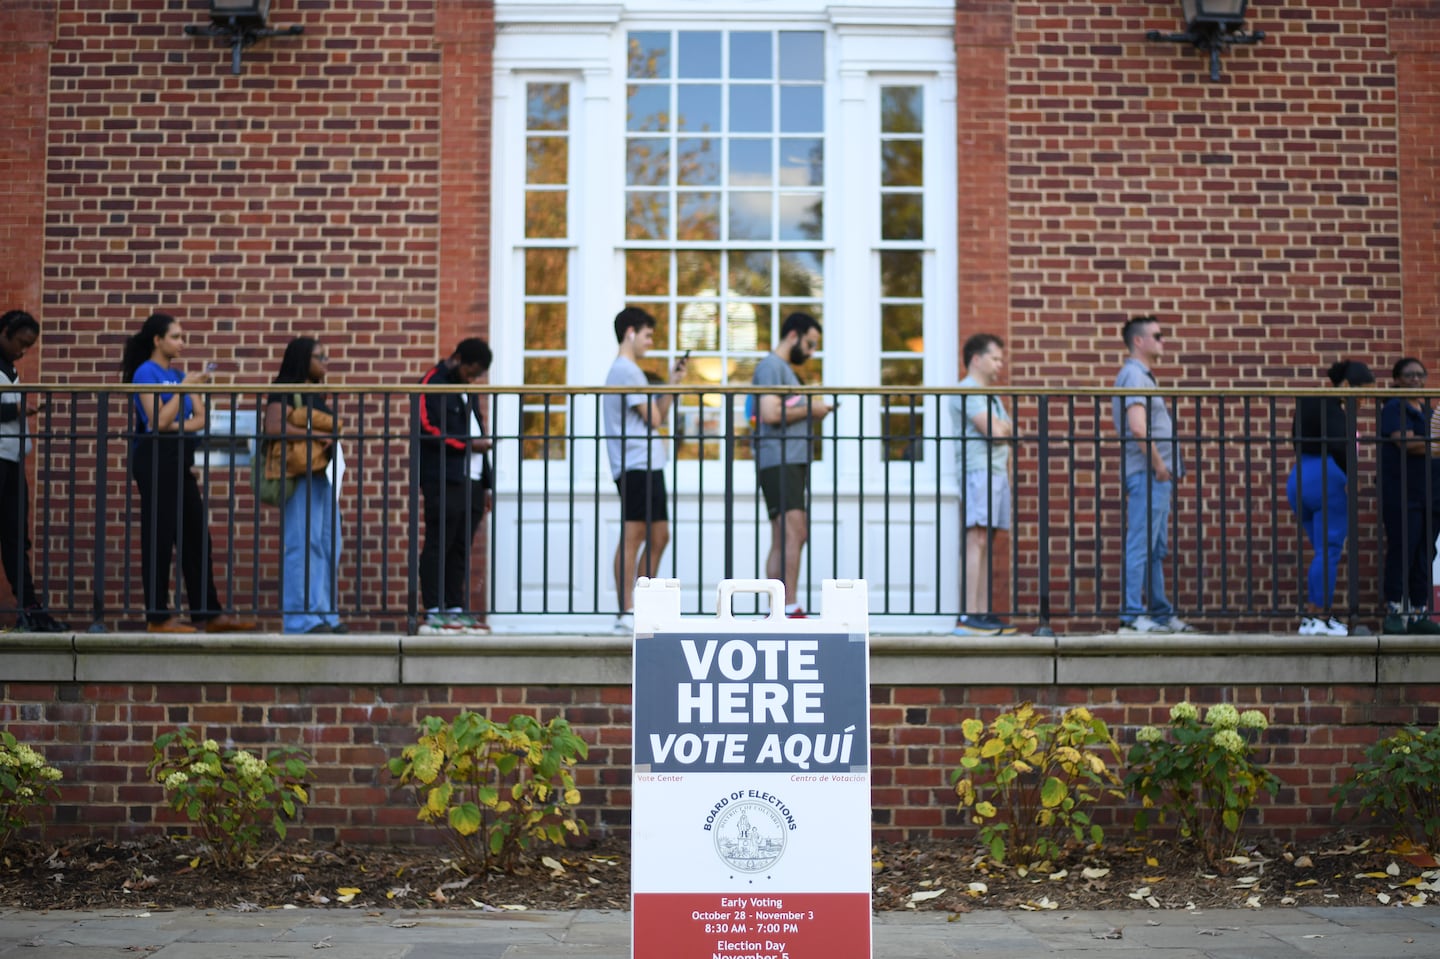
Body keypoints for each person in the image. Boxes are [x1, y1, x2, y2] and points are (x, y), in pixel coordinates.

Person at [122, 313, 256, 633]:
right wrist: (182, 391)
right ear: (157, 340)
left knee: (196, 535)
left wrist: (177, 409)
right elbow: (155, 422)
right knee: (160, 536)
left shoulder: (181, 375)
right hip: (154, 459)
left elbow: (200, 419)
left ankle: (207, 613)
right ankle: (158, 617)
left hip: (179, 459)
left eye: (182, 337)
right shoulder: (146, 373)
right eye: (176, 336)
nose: (181, 342)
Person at [603, 307, 685, 634]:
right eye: (648, 335)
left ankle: (640, 604)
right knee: (634, 534)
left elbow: (656, 417)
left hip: (648, 463)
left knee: (659, 535)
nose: (650, 342)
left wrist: (672, 382)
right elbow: (653, 418)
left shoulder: (631, 371)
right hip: (634, 464)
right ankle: (626, 610)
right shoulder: (626, 371)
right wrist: (665, 387)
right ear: (630, 332)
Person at [1112, 314, 1193, 634]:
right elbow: (1137, 426)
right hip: (1149, 473)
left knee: (1156, 547)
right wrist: (1160, 466)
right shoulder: (1134, 375)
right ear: (1139, 341)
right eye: (1158, 336)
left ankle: (1159, 612)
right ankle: (1133, 615)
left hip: (1154, 474)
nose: (1163, 341)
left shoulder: (1141, 375)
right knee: (1141, 544)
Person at [753, 311, 832, 618]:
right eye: (810, 344)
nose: (811, 352)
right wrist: (813, 408)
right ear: (793, 336)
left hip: (789, 459)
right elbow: (771, 412)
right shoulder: (772, 367)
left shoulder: (782, 368)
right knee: (793, 532)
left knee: (785, 534)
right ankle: (788, 606)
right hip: (780, 459)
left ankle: (778, 607)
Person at [1288, 360, 1374, 637]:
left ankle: (1312, 618)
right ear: (1347, 386)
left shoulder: (1309, 403)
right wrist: (1354, 475)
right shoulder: (1335, 408)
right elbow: (1339, 444)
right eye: (1363, 392)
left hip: (1300, 476)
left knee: (1321, 553)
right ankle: (1321, 617)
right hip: (1328, 478)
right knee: (1329, 551)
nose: (1365, 400)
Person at [264, 337, 344, 635]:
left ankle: (325, 615)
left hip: (324, 476)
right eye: (320, 357)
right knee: (303, 544)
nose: (326, 362)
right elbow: (273, 426)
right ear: (302, 359)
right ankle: (300, 620)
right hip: (300, 476)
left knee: (328, 543)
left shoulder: (316, 394)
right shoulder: (285, 390)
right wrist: (313, 436)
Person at [416, 338, 493, 636]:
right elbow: (428, 427)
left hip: (472, 480)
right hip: (444, 477)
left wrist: (488, 485)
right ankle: (433, 610)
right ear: (458, 359)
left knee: (462, 545)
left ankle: (455, 608)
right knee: (440, 541)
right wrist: (467, 445)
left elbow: (479, 431)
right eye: (471, 371)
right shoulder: (432, 382)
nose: (473, 378)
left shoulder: (466, 389)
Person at [0, 309, 67, 632]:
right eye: (20, 343)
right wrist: (18, 408)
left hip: (13, 460)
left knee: (16, 536)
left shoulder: (10, 369)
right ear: (5, 333)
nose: (23, 351)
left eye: (28, 346)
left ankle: (29, 607)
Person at [947, 333, 1017, 636]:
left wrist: (1005, 428)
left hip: (994, 471)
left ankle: (982, 613)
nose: (1000, 364)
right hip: (979, 471)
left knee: (985, 540)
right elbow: (996, 431)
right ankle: (969, 615)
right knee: (976, 538)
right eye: (995, 357)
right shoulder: (969, 391)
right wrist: (1003, 428)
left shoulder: (988, 393)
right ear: (976, 358)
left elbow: (1008, 429)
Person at [1378, 357, 1440, 635]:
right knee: (1403, 549)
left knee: (1425, 553)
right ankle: (1395, 611)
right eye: (1409, 374)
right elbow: (1404, 442)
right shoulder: (1395, 407)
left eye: (1420, 374)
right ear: (1398, 379)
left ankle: (1418, 613)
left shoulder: (1427, 410)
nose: (1415, 378)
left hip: (1431, 494)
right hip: (1403, 493)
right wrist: (1435, 445)